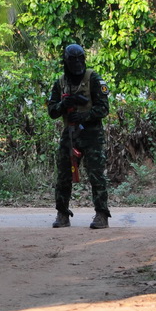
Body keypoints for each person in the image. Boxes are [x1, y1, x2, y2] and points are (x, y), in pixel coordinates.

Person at [46, 43, 112, 229]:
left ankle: (101, 214)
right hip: (70, 133)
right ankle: (62, 213)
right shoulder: (60, 83)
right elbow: (52, 111)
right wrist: (64, 104)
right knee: (63, 175)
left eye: (79, 59)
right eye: (72, 60)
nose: (77, 63)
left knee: (96, 175)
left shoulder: (93, 78)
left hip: (92, 135)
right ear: (66, 62)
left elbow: (103, 108)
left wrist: (84, 116)